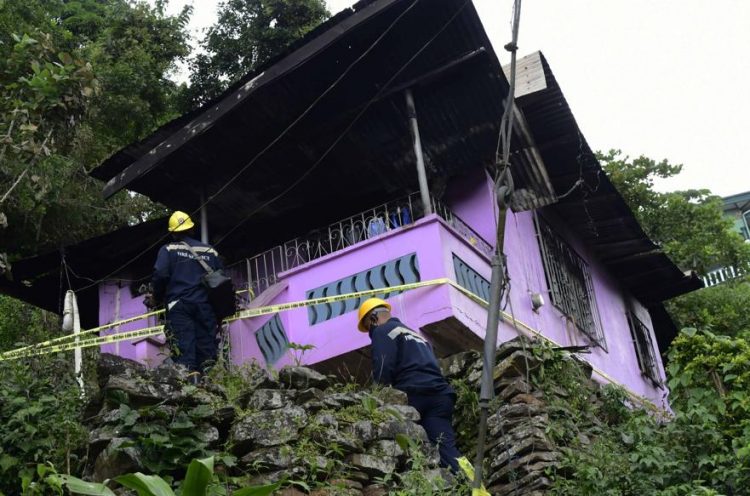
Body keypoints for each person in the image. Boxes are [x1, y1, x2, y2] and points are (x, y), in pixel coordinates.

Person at [357, 298, 462, 472]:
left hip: (415, 394)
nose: (370, 331)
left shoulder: (383, 330)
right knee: (448, 449)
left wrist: (376, 397)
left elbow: (383, 365)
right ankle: (476, 487)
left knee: (400, 441)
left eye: (368, 326)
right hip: (441, 396)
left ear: (374, 318)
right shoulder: (417, 335)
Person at [152, 211, 223, 373]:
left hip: (179, 307)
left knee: (184, 353)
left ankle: (189, 392)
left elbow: (160, 275)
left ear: (172, 233)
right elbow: (221, 278)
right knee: (207, 353)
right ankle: (209, 391)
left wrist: (156, 297)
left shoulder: (168, 250)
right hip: (205, 307)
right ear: (191, 229)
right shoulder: (210, 251)